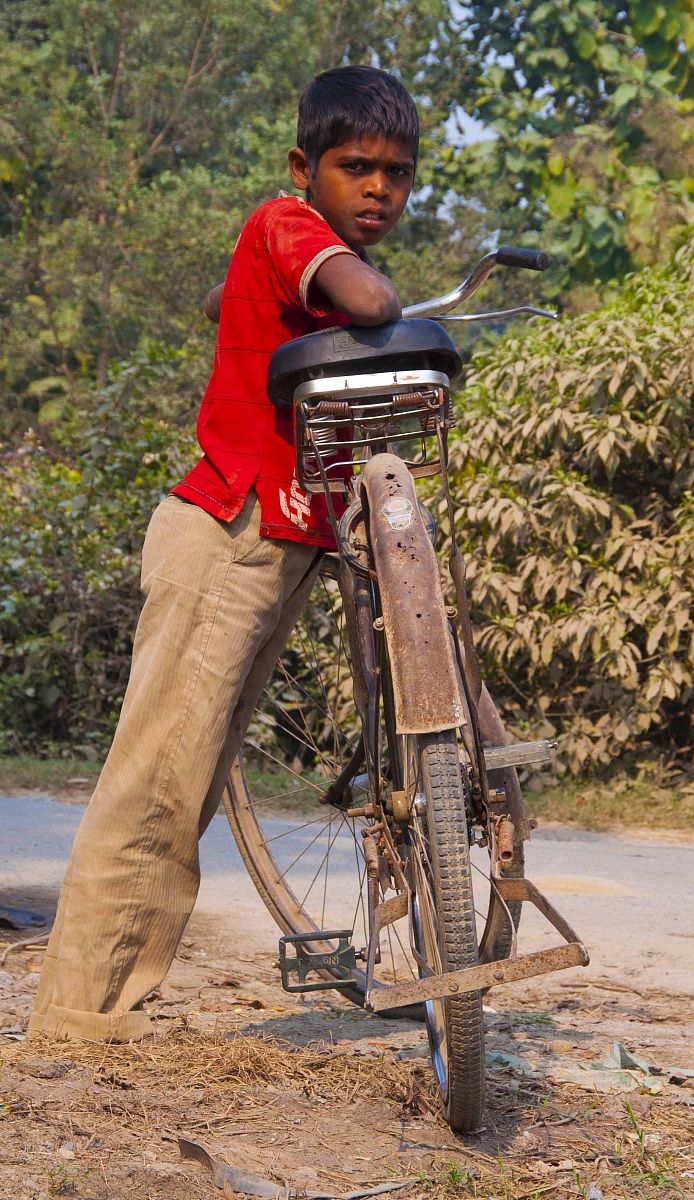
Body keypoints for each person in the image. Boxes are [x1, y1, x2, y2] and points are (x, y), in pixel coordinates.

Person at [29, 65, 418, 1042]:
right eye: (356, 167)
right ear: (302, 168)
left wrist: (245, 293)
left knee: (186, 787)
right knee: (156, 787)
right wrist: (367, 289)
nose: (379, 189)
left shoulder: (292, 253)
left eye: (398, 174)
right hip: (230, 532)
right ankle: (75, 1027)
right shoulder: (288, 224)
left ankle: (104, 1012)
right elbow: (372, 302)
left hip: (275, 543)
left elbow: (221, 302)